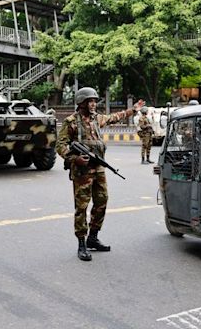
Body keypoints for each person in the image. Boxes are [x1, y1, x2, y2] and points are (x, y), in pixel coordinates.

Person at [56, 87, 144, 261]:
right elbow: (60, 145)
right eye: (90, 101)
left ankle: (93, 238)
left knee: (102, 201)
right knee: (82, 207)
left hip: (98, 168)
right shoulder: (71, 121)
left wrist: (133, 110)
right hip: (82, 171)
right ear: (81, 103)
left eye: (95, 101)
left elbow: (114, 118)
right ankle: (81, 244)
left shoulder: (97, 119)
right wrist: (74, 158)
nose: (94, 104)